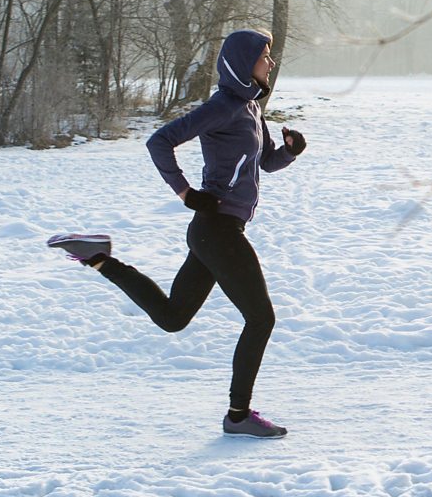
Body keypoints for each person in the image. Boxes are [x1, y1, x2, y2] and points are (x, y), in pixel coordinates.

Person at [47, 28, 307, 438]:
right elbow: (160, 141)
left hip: (215, 230)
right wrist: (186, 193)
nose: (270, 64)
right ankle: (238, 416)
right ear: (243, 63)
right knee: (261, 318)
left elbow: (264, 165)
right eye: (264, 57)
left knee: (172, 318)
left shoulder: (252, 109)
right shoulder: (223, 106)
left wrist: (290, 152)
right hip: (216, 228)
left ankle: (97, 257)